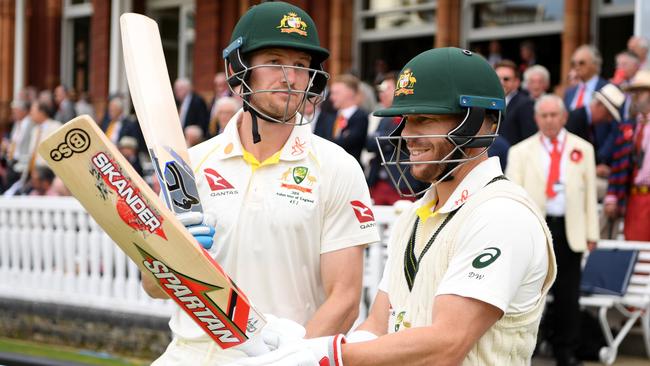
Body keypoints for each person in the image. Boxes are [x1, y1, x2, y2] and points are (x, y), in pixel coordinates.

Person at [225, 47, 556, 366]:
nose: (407, 136)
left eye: (425, 119)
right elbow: (377, 326)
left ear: (479, 122)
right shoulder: (413, 215)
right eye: (406, 120)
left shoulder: (501, 215)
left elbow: (447, 345)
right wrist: (304, 348)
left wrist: (327, 354)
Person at [143, 2, 380, 365]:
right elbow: (153, 287)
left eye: (301, 66)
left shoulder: (337, 168)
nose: (290, 77)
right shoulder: (189, 164)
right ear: (241, 70)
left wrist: (286, 360)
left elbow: (345, 300)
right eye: (273, 61)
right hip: (188, 355)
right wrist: (172, 255)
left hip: (284, 357)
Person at [507, 94, 598, 366]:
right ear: (536, 119)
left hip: (570, 227)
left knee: (569, 295)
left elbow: (589, 195)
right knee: (531, 292)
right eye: (543, 116)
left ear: (564, 117)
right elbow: (515, 194)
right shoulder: (520, 151)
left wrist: (592, 232)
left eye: (553, 115)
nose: (549, 121)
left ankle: (565, 351)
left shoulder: (583, 148)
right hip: (537, 229)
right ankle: (528, 349)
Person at [604, 70, 650, 241]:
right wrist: (612, 197)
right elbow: (618, 164)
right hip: (635, 197)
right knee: (636, 246)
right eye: (634, 92)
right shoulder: (628, 128)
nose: (636, 97)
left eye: (641, 91)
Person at [318, 74, 369, 165]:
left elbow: (348, 143)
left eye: (336, 93)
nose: (331, 97)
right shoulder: (329, 117)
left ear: (349, 93)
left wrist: (328, 141)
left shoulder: (360, 117)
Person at [495, 59, 536, 145]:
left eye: (506, 79)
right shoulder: (489, 103)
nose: (501, 82)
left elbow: (529, 139)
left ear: (516, 82)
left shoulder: (525, 104)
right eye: (497, 78)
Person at [564, 45, 607, 111]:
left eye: (581, 63)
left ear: (595, 64)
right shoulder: (569, 93)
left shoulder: (607, 89)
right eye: (574, 63)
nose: (577, 67)